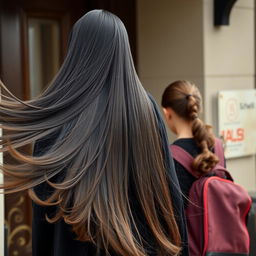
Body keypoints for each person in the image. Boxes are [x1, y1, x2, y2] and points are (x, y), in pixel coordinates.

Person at [0, 10, 189, 256]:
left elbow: (43, 215)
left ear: (76, 50)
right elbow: (168, 195)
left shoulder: (59, 112)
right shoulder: (146, 108)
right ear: (124, 50)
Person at [161, 80, 220, 200]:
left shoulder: (170, 157)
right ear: (198, 108)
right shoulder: (217, 145)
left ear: (167, 113)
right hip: (223, 219)